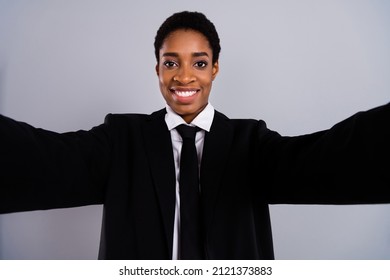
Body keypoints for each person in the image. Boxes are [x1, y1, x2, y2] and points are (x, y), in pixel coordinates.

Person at [0, 10, 389, 260]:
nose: (184, 77)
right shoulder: (123, 139)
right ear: (157, 69)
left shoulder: (249, 142)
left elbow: (325, 160)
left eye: (198, 63)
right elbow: (45, 159)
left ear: (215, 69)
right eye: (171, 63)